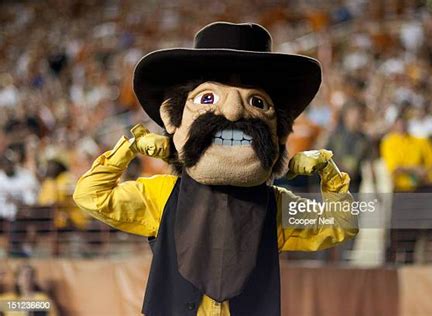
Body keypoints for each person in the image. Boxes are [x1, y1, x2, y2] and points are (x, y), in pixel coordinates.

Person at [74, 22, 358, 315]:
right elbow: (90, 195)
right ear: (173, 120)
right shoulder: (162, 195)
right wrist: (130, 145)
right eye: (207, 99)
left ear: (280, 134)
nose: (234, 112)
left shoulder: (276, 206)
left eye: (256, 102)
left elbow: (344, 223)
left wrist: (327, 170)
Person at [326, 101, 370, 192]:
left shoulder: (363, 138)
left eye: (360, 114)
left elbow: (368, 162)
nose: (358, 117)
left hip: (356, 185)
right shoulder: (335, 136)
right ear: (346, 116)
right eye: (354, 114)